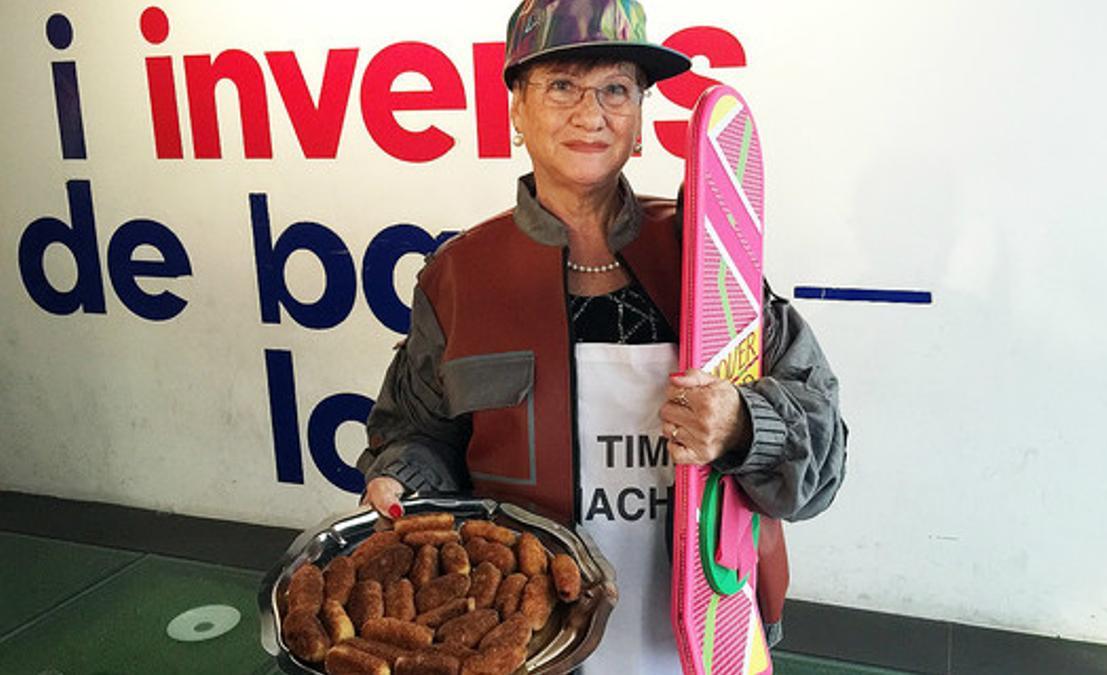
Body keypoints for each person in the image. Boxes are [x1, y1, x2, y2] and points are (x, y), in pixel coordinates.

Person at [356, 0, 848, 670]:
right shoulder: (457, 279)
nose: (592, 114)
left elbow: (824, 452)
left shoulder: (710, 257)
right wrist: (399, 481)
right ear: (516, 110)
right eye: (561, 85)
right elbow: (417, 432)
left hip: (704, 636)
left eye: (616, 88)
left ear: (640, 116)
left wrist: (743, 423)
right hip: (531, 641)